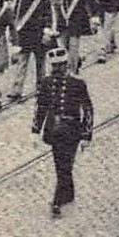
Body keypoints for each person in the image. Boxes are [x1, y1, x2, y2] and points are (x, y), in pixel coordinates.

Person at [31, 47, 93, 219]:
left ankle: (57, 202)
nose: (57, 70)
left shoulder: (77, 83)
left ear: (66, 65)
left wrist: (86, 135)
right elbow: (40, 107)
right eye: (54, 66)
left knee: (65, 166)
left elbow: (87, 109)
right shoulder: (46, 83)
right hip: (54, 131)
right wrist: (35, 130)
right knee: (62, 166)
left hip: (72, 130)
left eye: (60, 66)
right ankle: (68, 193)